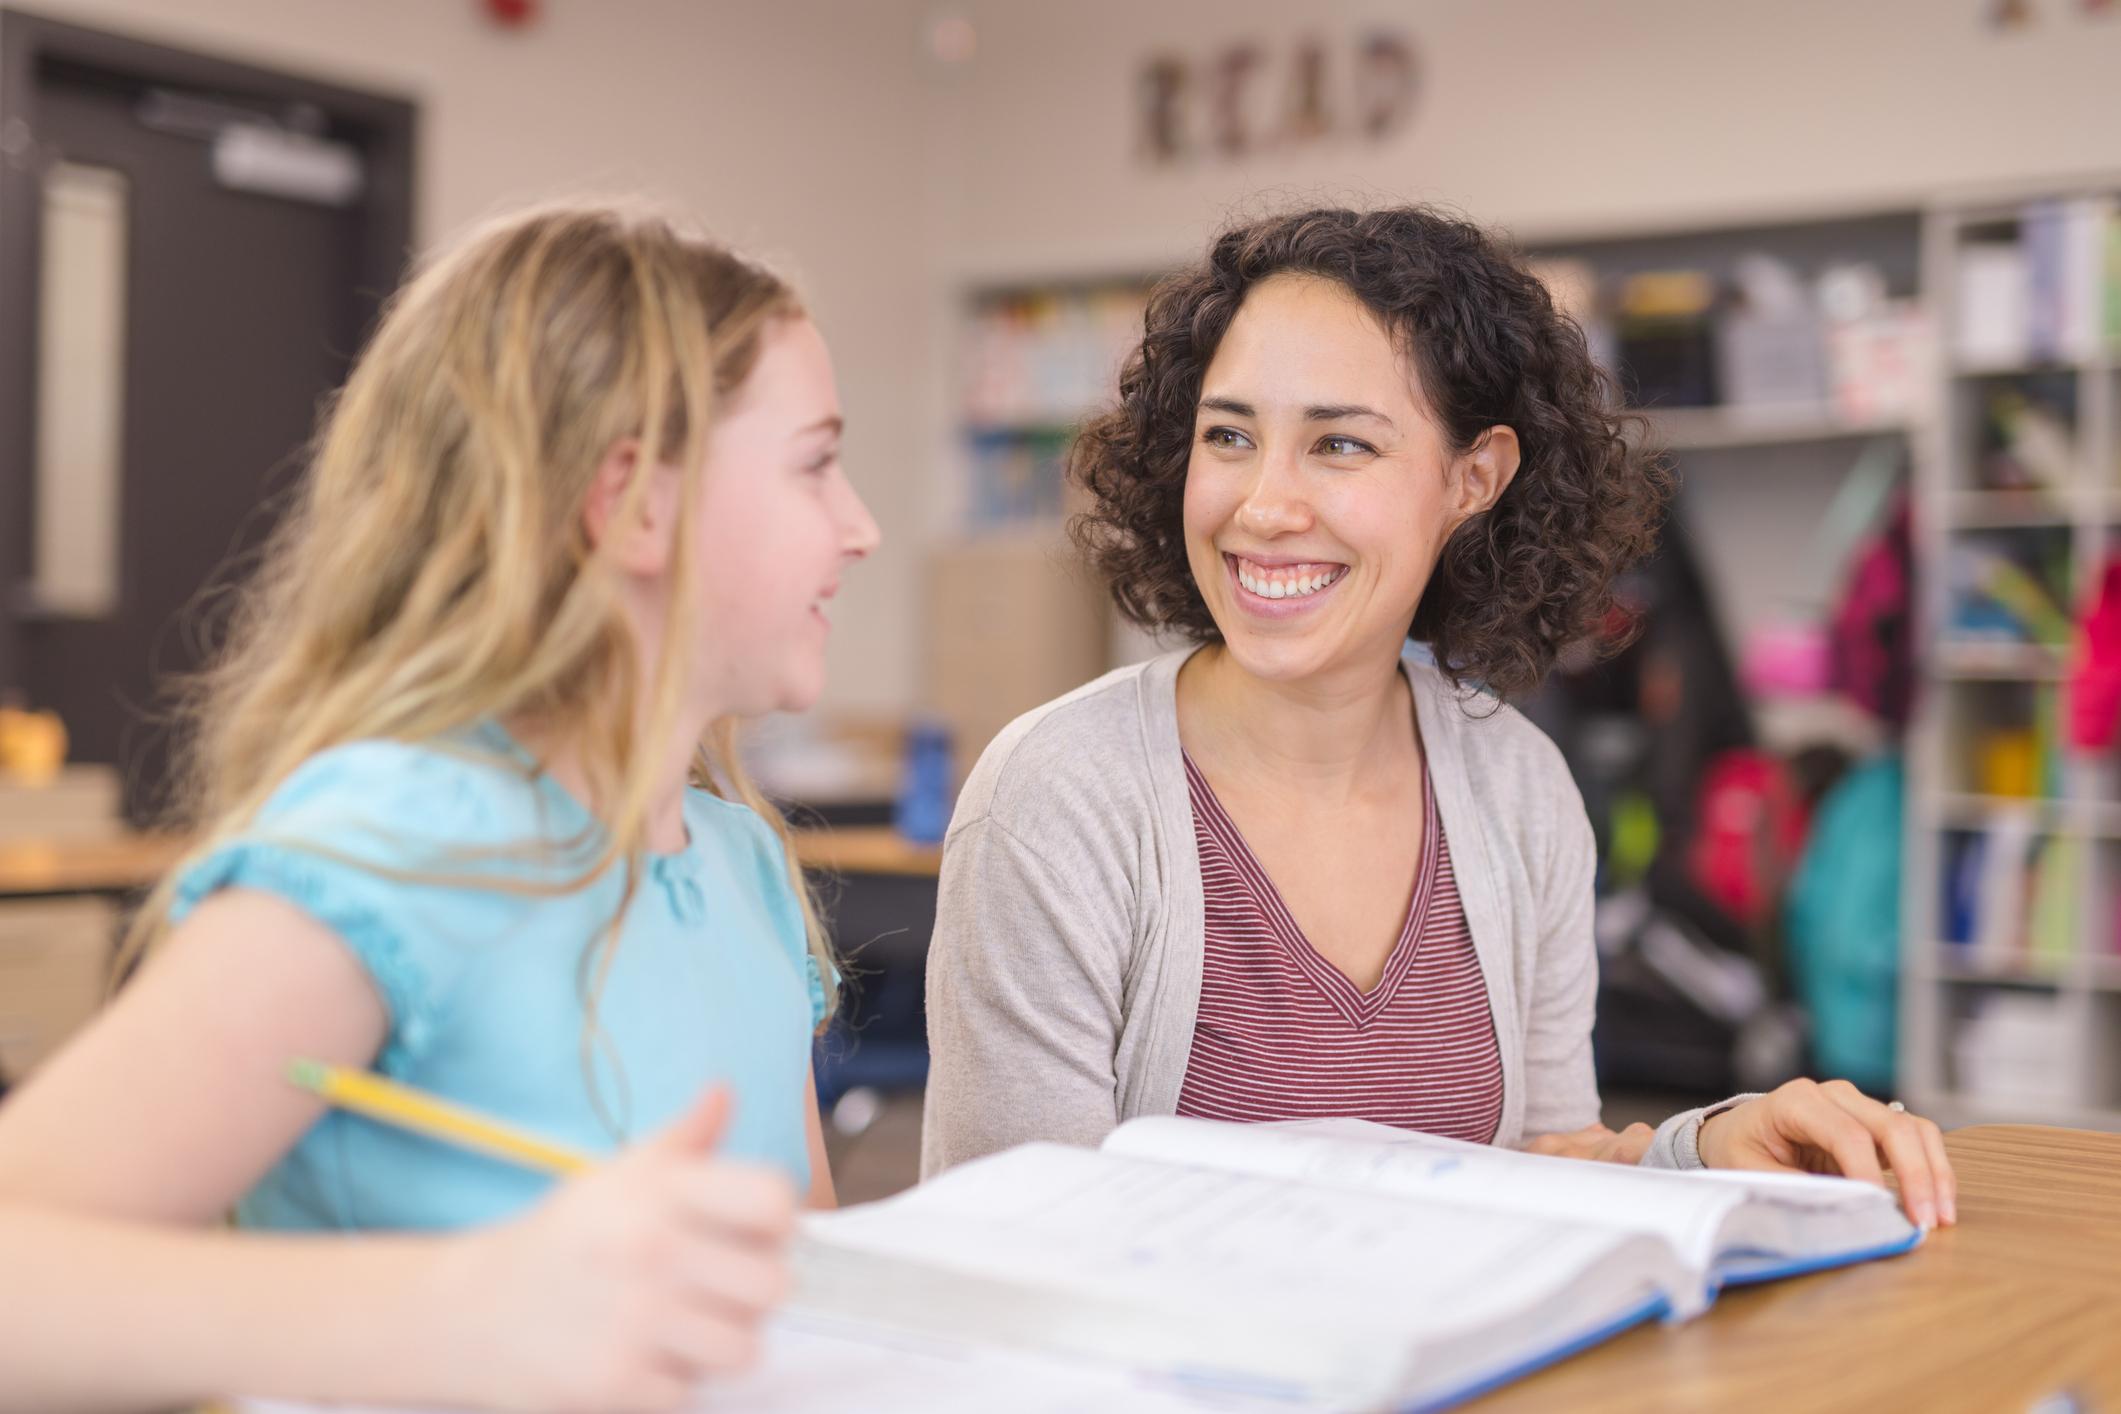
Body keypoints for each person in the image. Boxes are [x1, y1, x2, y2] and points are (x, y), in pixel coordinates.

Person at [0, 201, 880, 1413]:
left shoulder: (738, 861)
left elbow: (794, 1298)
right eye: (817, 464)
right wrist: (454, 1308)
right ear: (633, 503)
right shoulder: (403, 842)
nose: (860, 527)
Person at [921, 206, 1954, 1228]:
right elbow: (1007, 1253)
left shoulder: (1517, 785)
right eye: (1228, 434)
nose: (1265, 505)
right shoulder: (1057, 799)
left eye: (1339, 445)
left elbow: (1543, 1158)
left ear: (1474, 478)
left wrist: (1714, 1144)